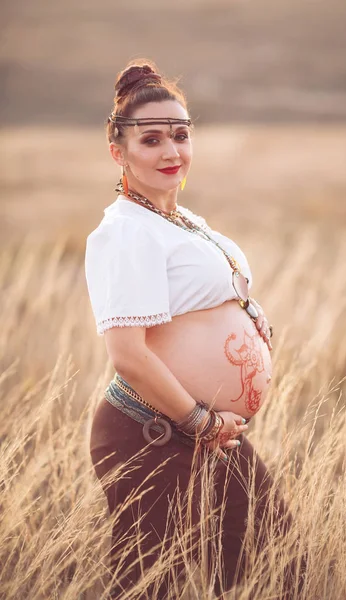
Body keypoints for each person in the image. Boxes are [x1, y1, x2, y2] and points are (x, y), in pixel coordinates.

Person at [85, 60, 300, 599]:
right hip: (152, 434)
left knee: (277, 560)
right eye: (151, 139)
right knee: (152, 584)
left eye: (180, 136)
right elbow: (128, 355)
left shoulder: (185, 220)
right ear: (119, 151)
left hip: (207, 437)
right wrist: (201, 422)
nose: (170, 152)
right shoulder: (124, 233)